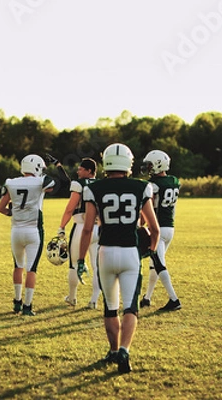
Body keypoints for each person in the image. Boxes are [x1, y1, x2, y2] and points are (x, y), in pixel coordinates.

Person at [78, 143, 161, 374]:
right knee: (131, 307)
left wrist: (80, 260)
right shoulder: (142, 187)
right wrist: (152, 250)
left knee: (110, 308)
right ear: (128, 163)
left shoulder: (94, 188)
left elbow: (87, 230)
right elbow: (154, 228)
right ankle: (124, 349)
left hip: (105, 252)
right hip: (130, 253)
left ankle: (113, 350)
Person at [0, 154, 67, 316]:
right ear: (36, 168)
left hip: (16, 231)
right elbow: (63, 183)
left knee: (18, 266)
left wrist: (12, 213)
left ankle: (16, 302)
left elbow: (1, 208)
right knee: (31, 269)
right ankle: (27, 306)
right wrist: (58, 165)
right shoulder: (41, 181)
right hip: (33, 231)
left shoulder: (11, 183)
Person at [139, 150, 182, 312]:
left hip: (156, 228)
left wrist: (139, 224)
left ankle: (174, 299)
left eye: (150, 165)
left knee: (159, 264)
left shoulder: (153, 185)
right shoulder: (174, 181)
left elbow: (146, 209)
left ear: (157, 165)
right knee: (154, 264)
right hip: (170, 227)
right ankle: (147, 297)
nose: (148, 168)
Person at [58, 158, 100, 309]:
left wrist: (62, 226)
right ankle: (94, 300)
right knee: (97, 266)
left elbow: (70, 208)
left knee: (74, 264)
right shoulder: (101, 184)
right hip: (99, 229)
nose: (78, 171)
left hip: (82, 227)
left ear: (89, 171)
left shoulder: (78, 184)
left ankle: (72, 297)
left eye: (81, 169)